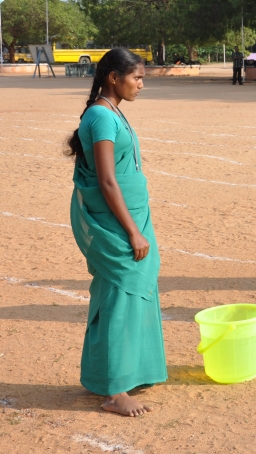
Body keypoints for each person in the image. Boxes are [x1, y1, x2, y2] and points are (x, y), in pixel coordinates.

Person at [66, 48, 165, 416]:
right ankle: (113, 391)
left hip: (135, 216)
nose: (141, 85)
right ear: (113, 77)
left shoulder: (112, 111)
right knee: (118, 298)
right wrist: (132, 233)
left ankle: (131, 371)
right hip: (119, 223)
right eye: (136, 77)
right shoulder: (100, 117)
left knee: (136, 294)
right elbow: (107, 181)